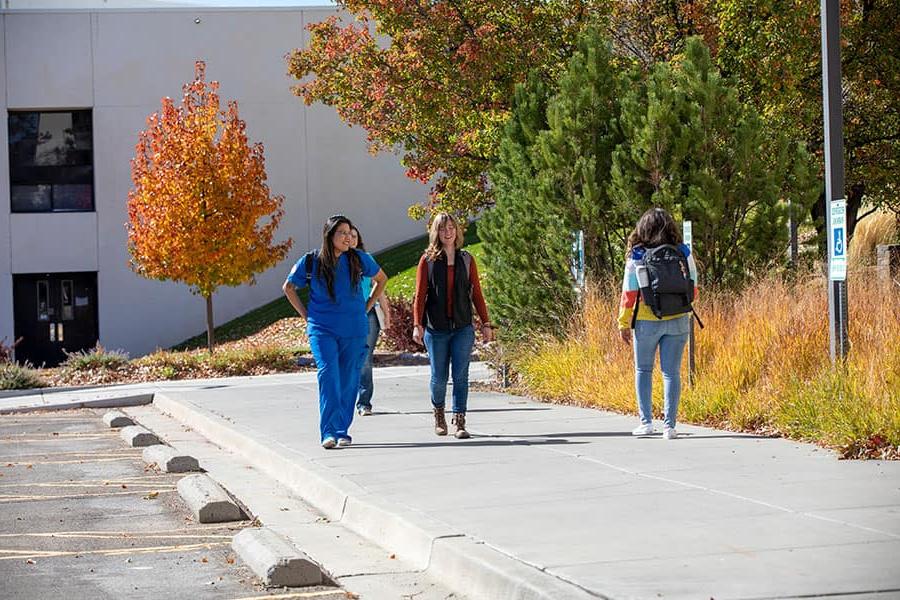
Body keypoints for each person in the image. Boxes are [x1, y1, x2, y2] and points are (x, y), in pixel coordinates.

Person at [283, 215, 387, 449]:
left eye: (350, 233)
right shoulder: (311, 261)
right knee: (329, 374)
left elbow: (382, 280)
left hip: (354, 329)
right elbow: (288, 287)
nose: (348, 237)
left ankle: (342, 430)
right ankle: (328, 432)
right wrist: (306, 315)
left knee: (349, 379)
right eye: (342, 232)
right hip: (322, 329)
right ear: (329, 235)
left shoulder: (360, 259)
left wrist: (367, 306)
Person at [617, 207, 698, 440]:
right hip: (679, 319)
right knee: (671, 373)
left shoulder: (638, 254)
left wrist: (623, 322)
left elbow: (629, 292)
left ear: (643, 228)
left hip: (646, 320)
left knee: (643, 370)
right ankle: (669, 426)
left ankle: (646, 423)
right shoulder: (683, 251)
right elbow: (693, 287)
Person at [412, 212, 493, 439]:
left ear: (456, 231)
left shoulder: (466, 259)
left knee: (461, 375)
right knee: (439, 377)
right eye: (443, 228)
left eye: (451, 228)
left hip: (462, 327)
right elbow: (419, 296)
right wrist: (417, 324)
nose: (448, 232)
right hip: (436, 328)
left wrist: (486, 323)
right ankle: (438, 413)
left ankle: (459, 420)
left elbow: (476, 293)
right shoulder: (427, 261)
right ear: (435, 232)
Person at [349, 225, 391, 416]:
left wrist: (386, 313)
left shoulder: (366, 260)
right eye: (347, 235)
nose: (350, 238)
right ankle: (346, 399)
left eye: (354, 235)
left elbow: (379, 285)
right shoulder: (336, 261)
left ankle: (364, 402)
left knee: (365, 358)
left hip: (367, 313)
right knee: (348, 358)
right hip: (345, 316)